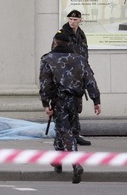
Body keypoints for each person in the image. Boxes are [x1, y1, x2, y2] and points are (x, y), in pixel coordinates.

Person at [39, 31, 101, 184]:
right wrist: (96, 100)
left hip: (59, 101)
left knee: (66, 132)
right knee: (64, 129)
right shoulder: (79, 59)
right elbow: (90, 80)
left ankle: (76, 165)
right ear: (69, 44)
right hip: (75, 101)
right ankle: (58, 161)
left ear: (55, 43)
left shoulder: (48, 59)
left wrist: (46, 104)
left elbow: (45, 84)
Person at [56, 10, 91, 146]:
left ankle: (75, 135)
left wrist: (85, 72)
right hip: (65, 76)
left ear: (80, 21)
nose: (72, 22)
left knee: (76, 106)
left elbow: (84, 55)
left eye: (75, 20)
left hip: (78, 76)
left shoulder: (81, 35)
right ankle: (64, 137)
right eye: (70, 19)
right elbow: (55, 56)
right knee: (65, 107)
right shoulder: (62, 34)